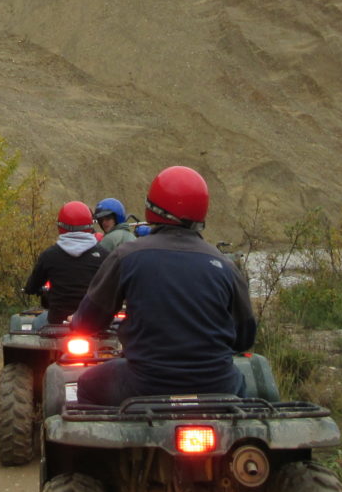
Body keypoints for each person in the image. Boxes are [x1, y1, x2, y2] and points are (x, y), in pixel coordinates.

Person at [70, 166, 256, 405]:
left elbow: (89, 321)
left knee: (85, 384)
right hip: (217, 384)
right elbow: (244, 339)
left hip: (144, 383)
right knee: (243, 387)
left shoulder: (127, 256)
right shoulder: (226, 266)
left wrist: (77, 322)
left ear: (151, 207)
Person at [22, 201, 105, 325]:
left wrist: (30, 289)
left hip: (57, 322)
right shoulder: (104, 255)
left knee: (36, 327)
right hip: (92, 323)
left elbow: (33, 285)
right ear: (90, 225)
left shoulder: (49, 256)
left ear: (60, 226)